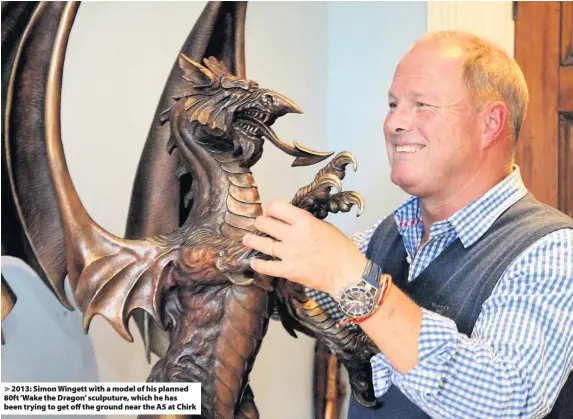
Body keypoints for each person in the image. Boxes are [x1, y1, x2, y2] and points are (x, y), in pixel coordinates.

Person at [242, 30, 573, 418]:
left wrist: (353, 280)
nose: (394, 122)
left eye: (422, 105)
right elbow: (280, 301)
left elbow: (507, 401)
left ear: (490, 123)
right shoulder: (382, 239)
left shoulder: (554, 252)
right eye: (393, 104)